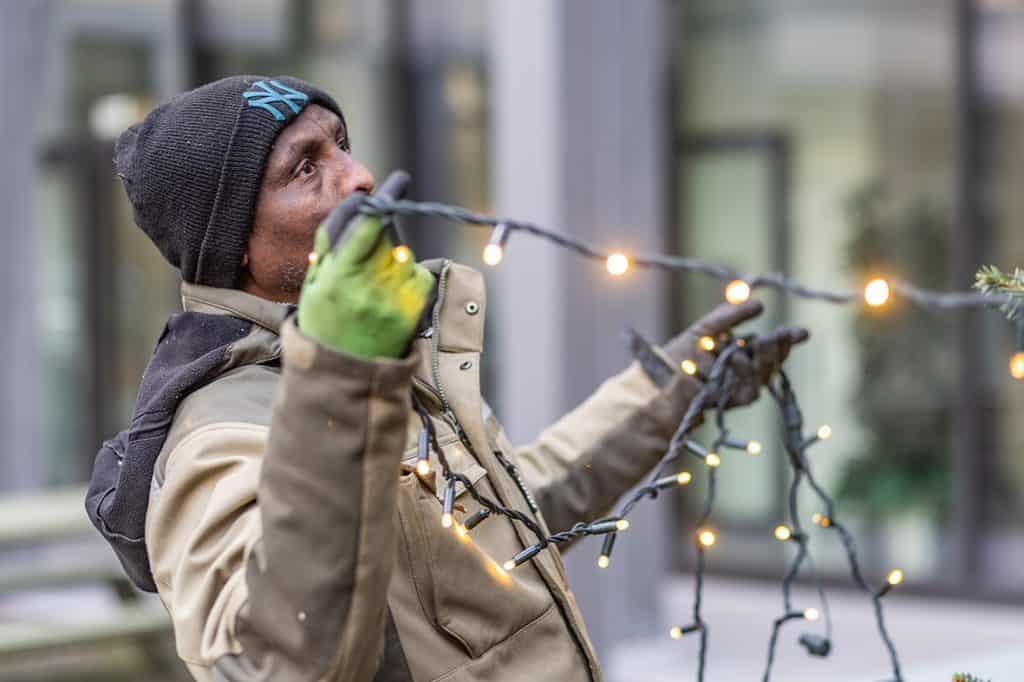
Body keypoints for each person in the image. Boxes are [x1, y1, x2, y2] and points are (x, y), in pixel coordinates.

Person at [86, 75, 808, 682]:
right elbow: (273, 662)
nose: (357, 176)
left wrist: (672, 390)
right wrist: (342, 374)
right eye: (305, 167)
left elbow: (512, 517)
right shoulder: (215, 432)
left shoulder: (383, 360)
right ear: (231, 240)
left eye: (341, 143)